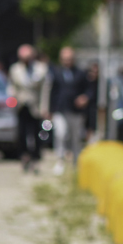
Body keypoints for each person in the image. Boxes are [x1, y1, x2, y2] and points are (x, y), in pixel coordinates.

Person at [42, 46, 90, 174]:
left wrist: (85, 98)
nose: (67, 61)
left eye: (69, 59)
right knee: (61, 134)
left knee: (75, 137)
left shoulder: (81, 73)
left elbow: (88, 89)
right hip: (60, 110)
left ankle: (76, 163)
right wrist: (48, 110)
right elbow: (52, 92)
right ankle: (60, 160)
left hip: (76, 111)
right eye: (65, 59)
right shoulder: (56, 73)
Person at [7, 44, 48, 171]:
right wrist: (12, 97)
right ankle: (24, 156)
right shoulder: (15, 69)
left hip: (35, 106)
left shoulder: (40, 68)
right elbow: (12, 87)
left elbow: (45, 90)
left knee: (36, 133)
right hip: (21, 106)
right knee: (22, 133)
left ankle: (35, 157)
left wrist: (45, 108)